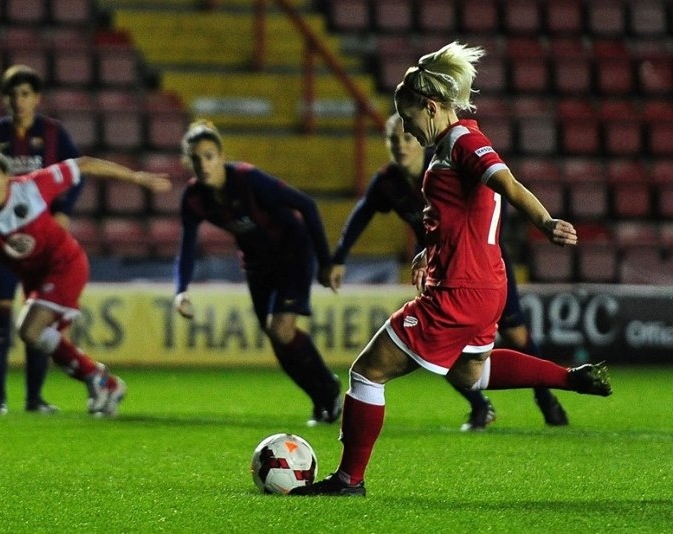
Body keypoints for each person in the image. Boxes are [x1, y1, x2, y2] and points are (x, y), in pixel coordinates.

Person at [291, 41, 612, 497]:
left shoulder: (463, 140)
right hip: (483, 286)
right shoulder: (450, 143)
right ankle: (567, 378)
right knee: (470, 375)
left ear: (430, 106)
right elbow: (463, 212)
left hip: (460, 291)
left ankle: (348, 480)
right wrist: (432, 251)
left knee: (367, 372)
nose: (408, 130)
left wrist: (544, 221)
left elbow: (506, 182)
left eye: (408, 120)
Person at [330, 113, 568, 431]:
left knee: (516, 336)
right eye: (393, 140)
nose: (401, 145)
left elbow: (497, 194)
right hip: (440, 266)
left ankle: (545, 398)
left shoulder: (446, 160)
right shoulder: (387, 181)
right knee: (439, 339)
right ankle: (481, 407)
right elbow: (362, 215)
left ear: (418, 139)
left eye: (406, 137)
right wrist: (339, 258)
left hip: (481, 261)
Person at [0, 148, 170, 416]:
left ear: (7, 177)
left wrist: (136, 177)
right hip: (34, 277)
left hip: (64, 264)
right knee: (52, 342)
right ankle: (103, 384)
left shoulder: (31, 187)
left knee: (30, 330)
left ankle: (101, 379)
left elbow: (84, 164)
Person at [172, 120, 341, 426]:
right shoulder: (194, 198)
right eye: (196, 159)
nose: (203, 164)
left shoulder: (249, 179)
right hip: (257, 265)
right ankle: (322, 399)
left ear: (222, 156)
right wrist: (181, 290)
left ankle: (328, 388)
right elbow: (187, 246)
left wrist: (326, 262)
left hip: (292, 253)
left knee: (281, 330)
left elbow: (307, 205)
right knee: (276, 339)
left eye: (209, 156)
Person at [0, 65, 83, 415]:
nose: (19, 101)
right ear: (5, 98)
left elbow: (76, 174)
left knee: (37, 320)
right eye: (13, 94)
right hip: (3, 244)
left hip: (42, 246)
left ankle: (34, 399)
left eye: (25, 94)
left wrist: (64, 208)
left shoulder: (54, 134)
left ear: (37, 98)